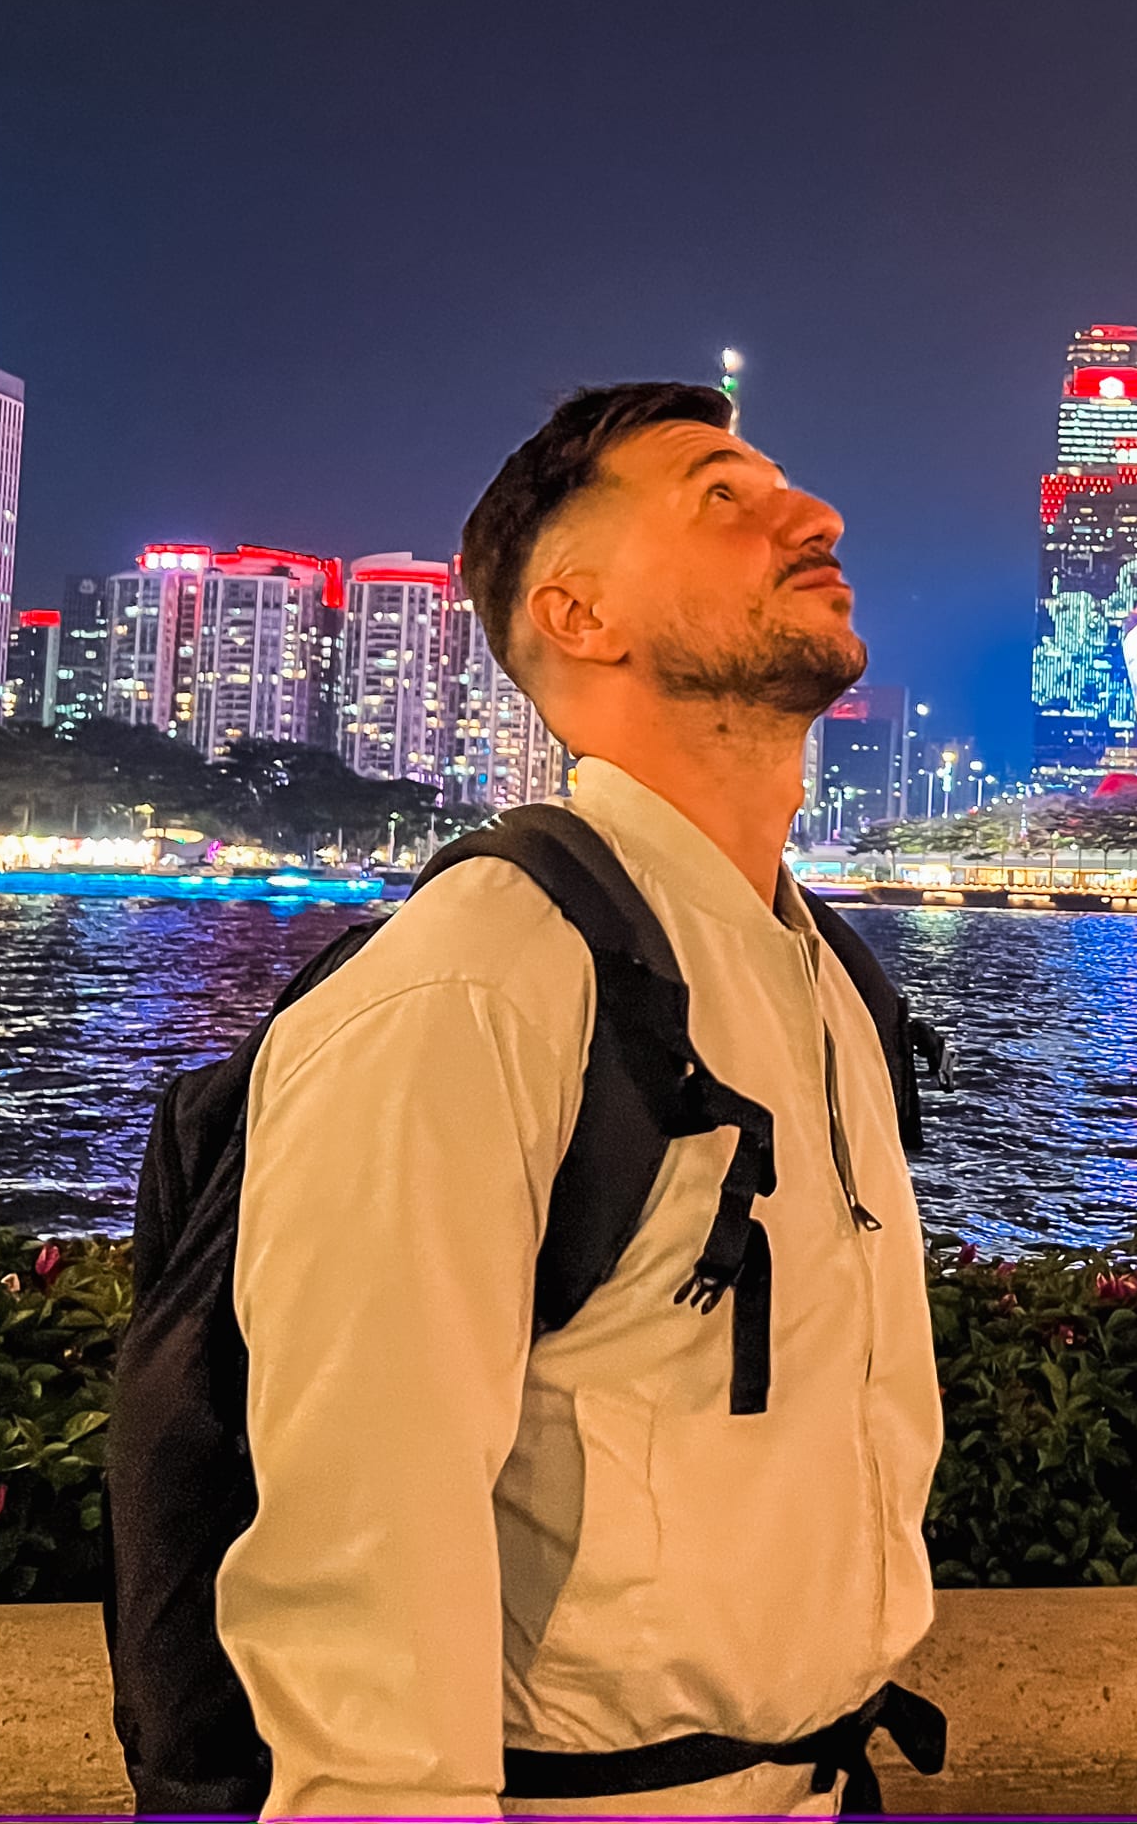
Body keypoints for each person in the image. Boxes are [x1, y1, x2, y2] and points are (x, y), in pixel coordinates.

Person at [212, 382, 943, 1818]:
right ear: (581, 615)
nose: (816, 515)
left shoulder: (828, 976)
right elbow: (360, 1574)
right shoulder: (475, 985)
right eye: (721, 495)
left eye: (786, 486)